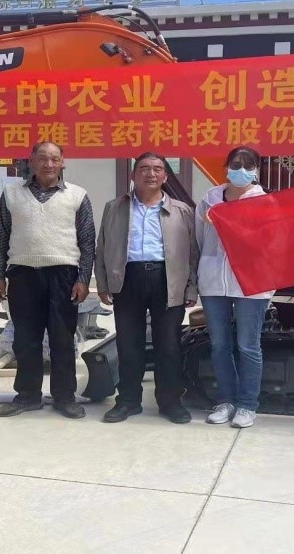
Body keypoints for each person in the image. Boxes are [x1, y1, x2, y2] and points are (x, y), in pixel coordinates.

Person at [0, 142, 95, 419]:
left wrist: (83, 278)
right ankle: (27, 396)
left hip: (64, 275)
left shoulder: (77, 195)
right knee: (26, 339)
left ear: (62, 162)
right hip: (22, 273)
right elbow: (1, 237)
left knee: (63, 339)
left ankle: (65, 397)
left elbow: (87, 241)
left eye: (54, 159)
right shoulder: (12, 193)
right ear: (31, 161)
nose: (48, 164)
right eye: (42, 158)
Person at [95, 152, 199, 424]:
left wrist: (191, 288)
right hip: (127, 279)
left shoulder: (182, 210)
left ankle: (170, 402)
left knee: (169, 346)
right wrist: (103, 283)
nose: (150, 174)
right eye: (143, 168)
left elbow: (192, 253)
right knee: (129, 345)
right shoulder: (115, 207)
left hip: (168, 280)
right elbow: (102, 247)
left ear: (165, 176)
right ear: (133, 174)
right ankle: (128, 401)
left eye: (157, 169)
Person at [195, 146, 275, 429]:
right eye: (236, 164)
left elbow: (271, 243)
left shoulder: (264, 202)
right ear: (226, 167)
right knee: (219, 345)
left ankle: (247, 405)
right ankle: (226, 401)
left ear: (256, 171)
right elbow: (199, 238)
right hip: (213, 281)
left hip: (251, 283)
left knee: (248, 345)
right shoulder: (210, 198)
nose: (241, 170)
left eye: (248, 165)